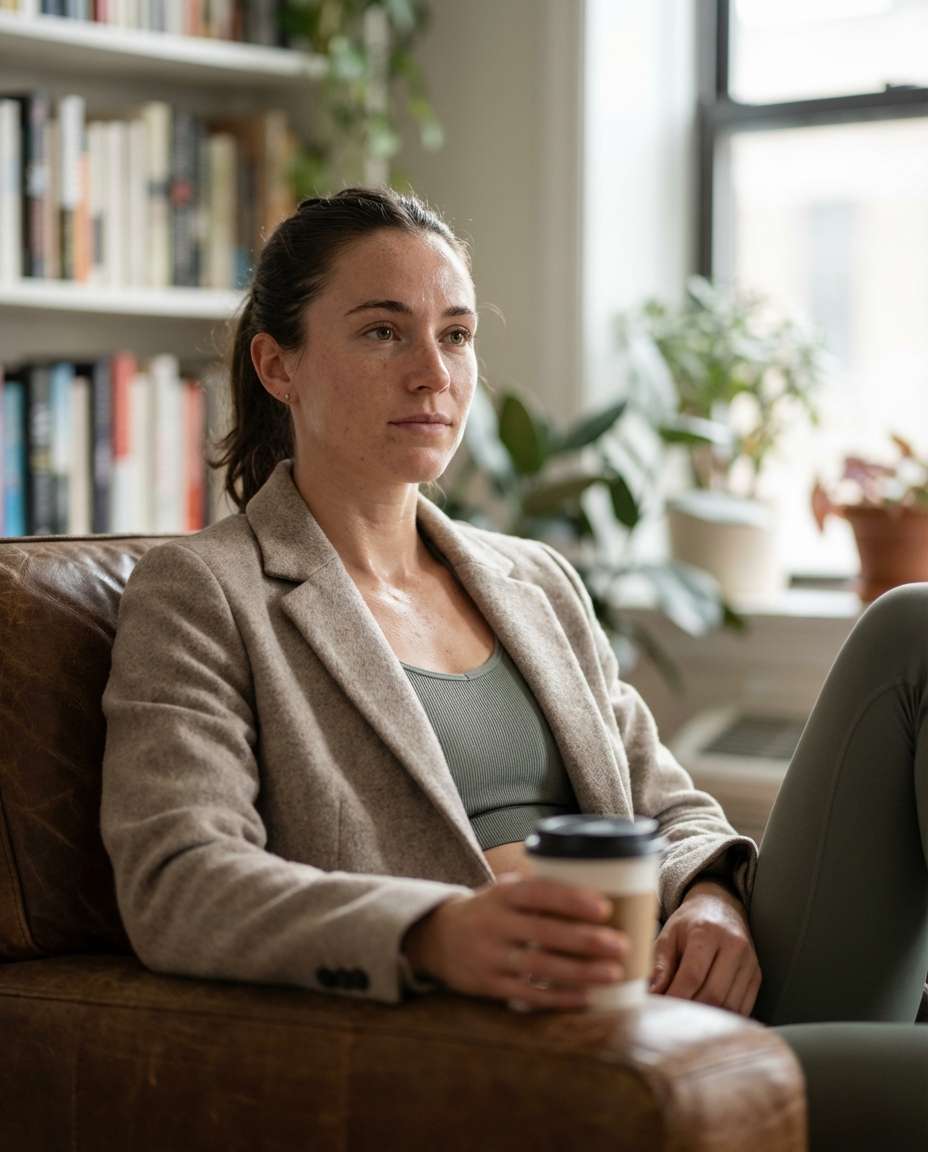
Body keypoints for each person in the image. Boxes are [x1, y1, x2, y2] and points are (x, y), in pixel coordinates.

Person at [100, 187, 927, 1150]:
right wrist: (436, 934)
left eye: (454, 335)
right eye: (382, 332)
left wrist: (709, 894)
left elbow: (674, 808)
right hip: (511, 1035)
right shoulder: (204, 592)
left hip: (691, 997)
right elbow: (179, 881)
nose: (432, 373)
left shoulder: (535, 580)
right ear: (277, 364)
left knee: (912, 627)